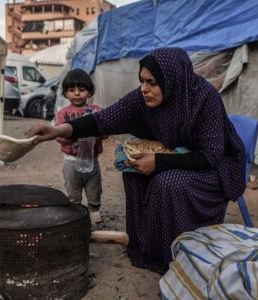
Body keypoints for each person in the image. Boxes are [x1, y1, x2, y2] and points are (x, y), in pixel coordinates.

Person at [29, 48, 246, 274]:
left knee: (167, 182)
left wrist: (158, 162)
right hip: (176, 156)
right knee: (133, 173)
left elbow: (211, 155)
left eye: (152, 82)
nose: (144, 89)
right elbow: (102, 120)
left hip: (215, 167)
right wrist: (58, 130)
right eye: (142, 81)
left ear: (171, 80)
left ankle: (178, 254)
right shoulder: (141, 99)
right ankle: (148, 249)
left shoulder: (204, 98)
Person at [55, 69, 106, 229]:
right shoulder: (64, 114)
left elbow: (107, 130)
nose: (77, 94)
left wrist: (97, 135)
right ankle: (75, 224)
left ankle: (95, 222)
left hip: (92, 162)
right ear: (65, 93)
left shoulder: (96, 111)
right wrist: (75, 135)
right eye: (71, 90)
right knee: (74, 196)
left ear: (89, 91)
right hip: (71, 162)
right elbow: (58, 136)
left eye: (81, 90)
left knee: (94, 193)